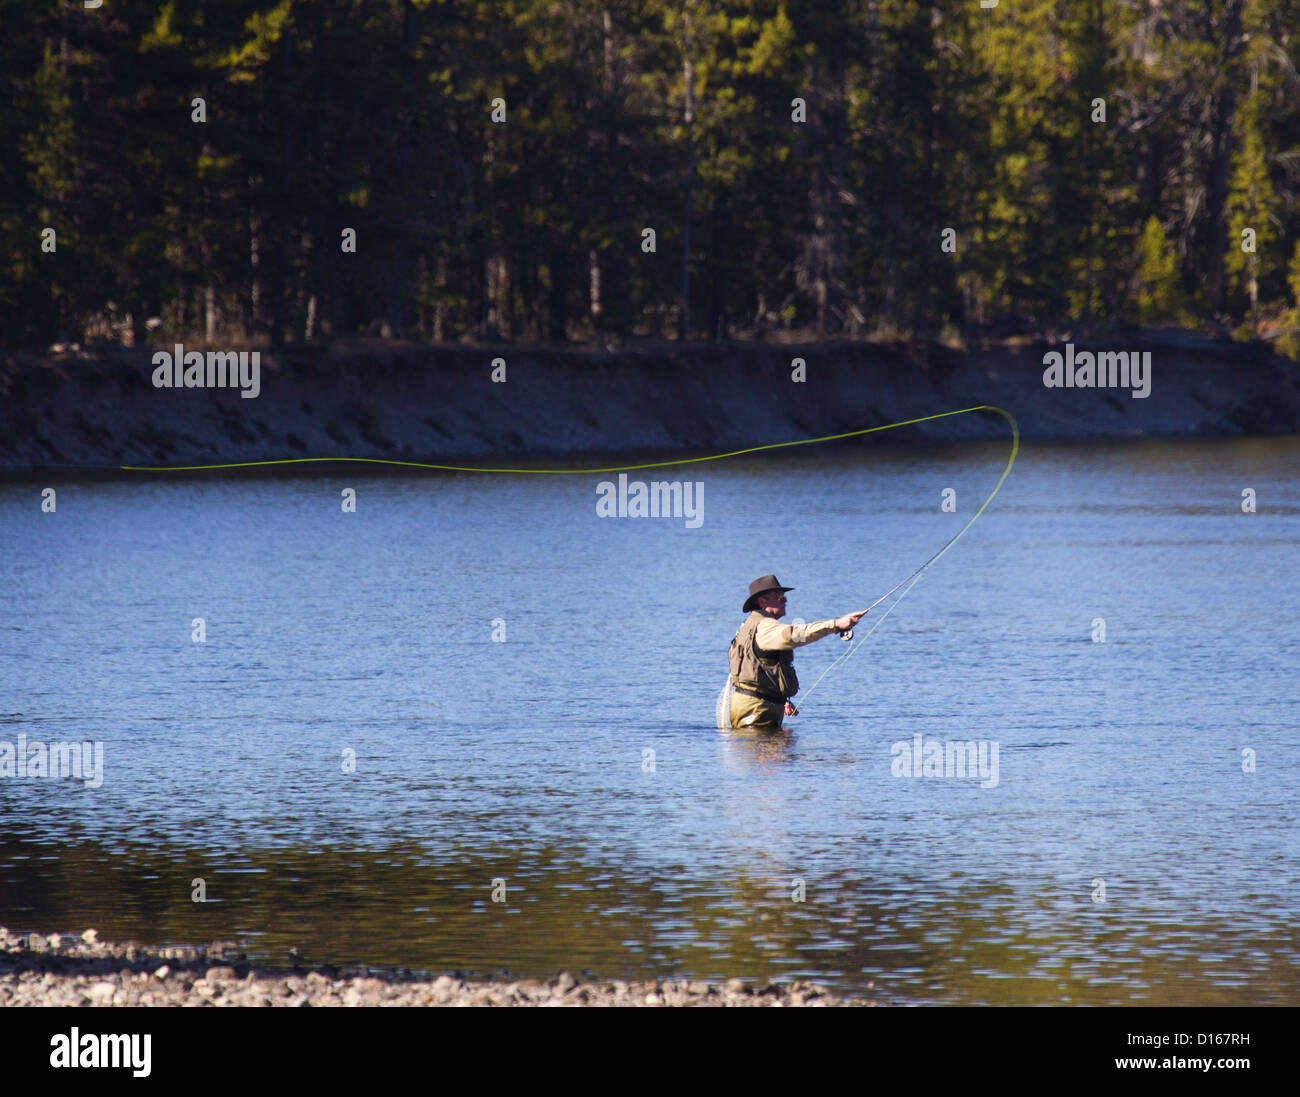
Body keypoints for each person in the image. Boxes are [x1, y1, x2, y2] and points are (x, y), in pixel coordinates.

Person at [725, 575, 866, 729]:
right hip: (756, 710)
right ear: (762, 602)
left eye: (784, 596)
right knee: (766, 751)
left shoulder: (748, 626)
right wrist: (836, 624)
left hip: (748, 704)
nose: (785, 600)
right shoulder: (766, 627)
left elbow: (754, 666)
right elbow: (796, 635)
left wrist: (781, 698)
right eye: (778, 596)